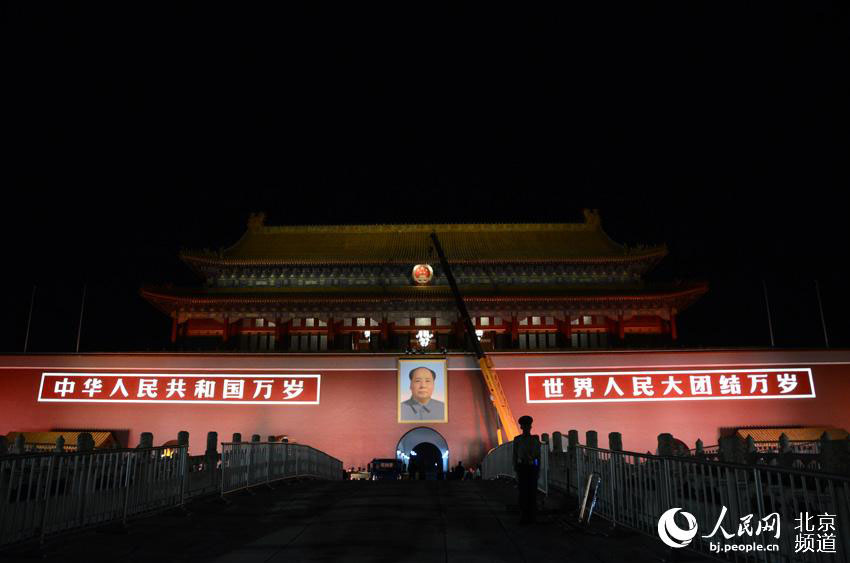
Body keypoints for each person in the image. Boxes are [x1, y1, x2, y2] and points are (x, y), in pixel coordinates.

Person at [512, 415, 541, 524]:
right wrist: (516, 469)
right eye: (525, 426)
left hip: (530, 467)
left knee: (531, 492)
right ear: (522, 427)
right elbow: (514, 456)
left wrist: (537, 468)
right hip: (523, 468)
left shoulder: (534, 439)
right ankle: (525, 515)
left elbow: (538, 457)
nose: (526, 428)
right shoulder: (518, 439)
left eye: (527, 425)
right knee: (524, 492)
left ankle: (530, 515)